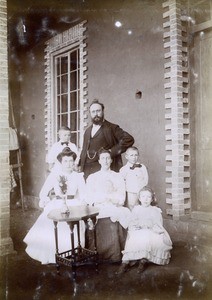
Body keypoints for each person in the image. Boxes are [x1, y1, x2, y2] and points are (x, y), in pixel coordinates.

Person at [24, 148, 86, 264]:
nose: (68, 164)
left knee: (74, 221)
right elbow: (43, 192)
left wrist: (82, 203)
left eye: (71, 161)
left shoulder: (78, 176)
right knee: (51, 221)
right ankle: (54, 253)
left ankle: (72, 252)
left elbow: (84, 194)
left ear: (74, 162)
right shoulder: (54, 175)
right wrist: (46, 201)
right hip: (57, 203)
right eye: (65, 161)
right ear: (61, 163)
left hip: (74, 203)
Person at [86, 148, 131, 262]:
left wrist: (114, 200)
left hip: (114, 204)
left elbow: (121, 196)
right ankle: (100, 252)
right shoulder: (93, 177)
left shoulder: (118, 176)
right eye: (103, 158)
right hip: (99, 206)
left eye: (107, 158)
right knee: (100, 214)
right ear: (99, 161)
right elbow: (89, 196)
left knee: (121, 213)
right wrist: (101, 200)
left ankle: (117, 254)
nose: (105, 161)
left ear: (111, 160)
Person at [116, 186, 172, 274]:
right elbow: (132, 222)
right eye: (143, 197)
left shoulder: (155, 210)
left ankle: (143, 260)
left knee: (146, 235)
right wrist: (136, 226)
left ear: (152, 199)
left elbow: (158, 225)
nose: (145, 199)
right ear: (139, 198)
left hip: (151, 231)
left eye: (148, 197)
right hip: (139, 230)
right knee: (133, 236)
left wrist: (149, 226)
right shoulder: (136, 209)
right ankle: (125, 262)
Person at [79, 99, 134, 180]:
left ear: (103, 111)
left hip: (104, 168)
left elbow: (129, 139)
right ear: (90, 114)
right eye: (93, 112)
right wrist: (80, 164)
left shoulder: (112, 128)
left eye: (98, 111)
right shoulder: (87, 131)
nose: (96, 114)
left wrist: (112, 152)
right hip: (87, 170)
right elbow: (84, 150)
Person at [119, 146, 148, 210]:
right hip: (131, 193)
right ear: (126, 156)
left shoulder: (142, 167)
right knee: (132, 207)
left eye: (136, 155)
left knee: (143, 207)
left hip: (141, 192)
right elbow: (121, 183)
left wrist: (143, 189)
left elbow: (146, 179)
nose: (134, 157)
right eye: (131, 155)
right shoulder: (123, 169)